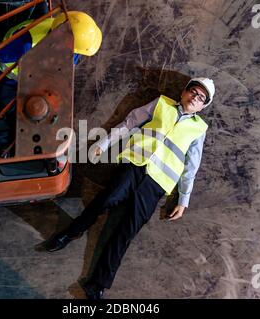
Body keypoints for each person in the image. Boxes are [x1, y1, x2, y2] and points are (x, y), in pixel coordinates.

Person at [40, 77, 216, 299]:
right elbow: (130, 122)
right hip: (134, 167)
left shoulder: (198, 129)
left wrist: (183, 200)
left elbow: (192, 165)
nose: (195, 98)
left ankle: (96, 285)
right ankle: (68, 234)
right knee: (103, 201)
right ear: (184, 92)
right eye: (193, 92)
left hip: (157, 184)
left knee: (126, 232)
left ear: (203, 106)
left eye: (201, 98)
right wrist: (103, 144)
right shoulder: (161, 103)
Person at [0, 10, 102, 128]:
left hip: (32, 77)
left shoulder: (65, 34)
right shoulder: (25, 44)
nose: (75, 56)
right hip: (7, 77)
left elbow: (66, 67)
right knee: (2, 110)